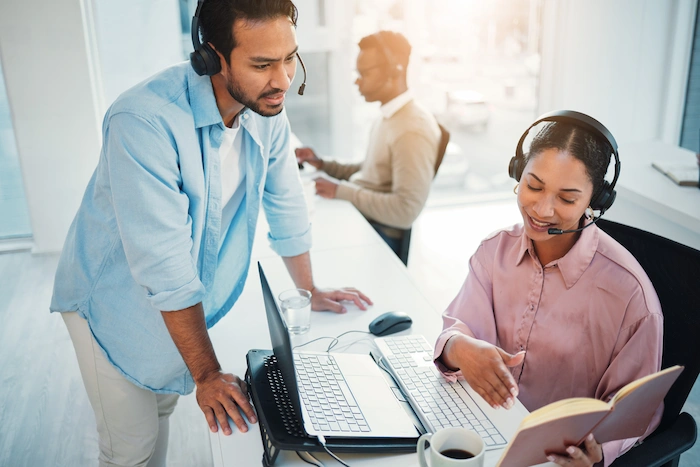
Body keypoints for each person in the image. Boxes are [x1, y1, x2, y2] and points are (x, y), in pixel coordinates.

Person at [50, 1, 371, 466]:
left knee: (159, 404)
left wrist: (309, 288)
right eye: (262, 64)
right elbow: (164, 263)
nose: (282, 80)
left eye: (288, 58)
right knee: (131, 450)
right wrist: (207, 374)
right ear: (213, 57)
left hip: (170, 302)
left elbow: (286, 202)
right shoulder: (143, 122)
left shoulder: (266, 111)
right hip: (111, 304)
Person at [433, 112, 663, 467]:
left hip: (553, 457)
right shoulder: (493, 252)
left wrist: (598, 451)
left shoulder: (631, 297)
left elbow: (637, 410)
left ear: (595, 200)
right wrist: (459, 347)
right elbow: (458, 328)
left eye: (567, 199)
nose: (542, 210)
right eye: (534, 186)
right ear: (517, 173)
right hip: (483, 428)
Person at [295, 30, 441, 257]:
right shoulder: (390, 116)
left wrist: (340, 191)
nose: (356, 80)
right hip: (363, 217)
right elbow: (371, 171)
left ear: (395, 71)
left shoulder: (412, 129)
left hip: (378, 233)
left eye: (364, 73)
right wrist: (322, 163)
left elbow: (406, 210)